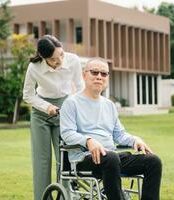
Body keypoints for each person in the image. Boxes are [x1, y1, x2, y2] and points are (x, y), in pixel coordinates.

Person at [60, 57, 162, 200]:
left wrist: (135, 140)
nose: (99, 77)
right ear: (84, 75)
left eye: (104, 74)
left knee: (153, 161)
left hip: (111, 158)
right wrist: (88, 141)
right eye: (94, 72)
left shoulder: (109, 105)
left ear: (107, 78)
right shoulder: (71, 103)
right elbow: (67, 133)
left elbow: (119, 135)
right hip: (84, 159)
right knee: (111, 157)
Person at [23, 35, 84, 200]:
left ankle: (67, 197)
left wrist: (74, 107)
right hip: (40, 113)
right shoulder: (34, 67)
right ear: (43, 57)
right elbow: (28, 95)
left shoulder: (73, 61)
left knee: (65, 159)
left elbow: (80, 87)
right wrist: (46, 106)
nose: (60, 61)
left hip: (64, 111)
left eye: (61, 55)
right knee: (42, 161)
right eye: (54, 59)